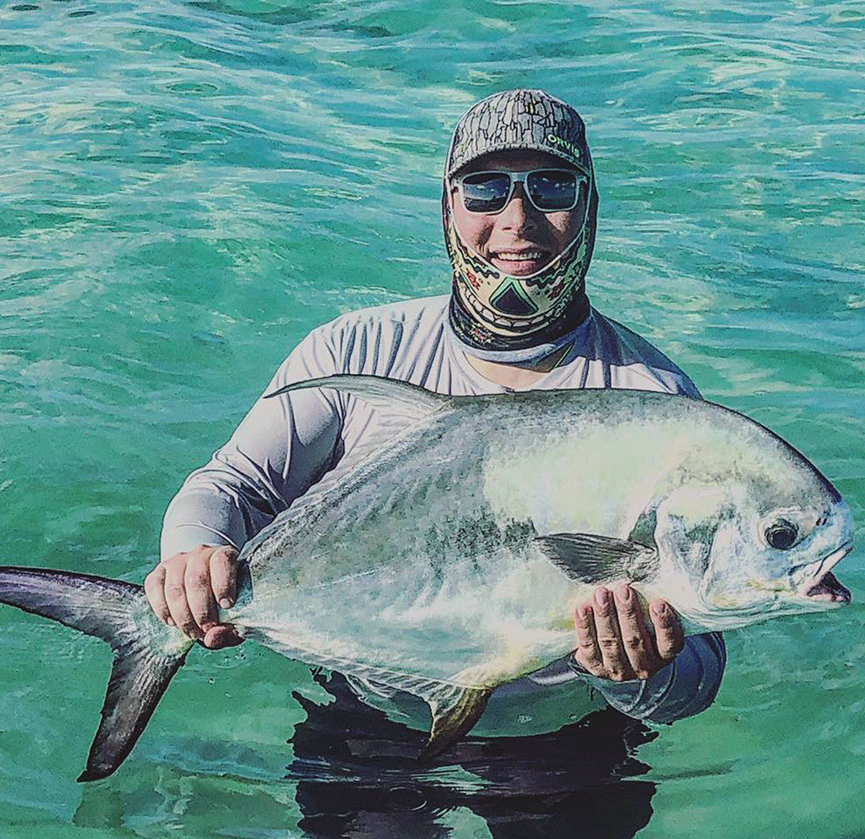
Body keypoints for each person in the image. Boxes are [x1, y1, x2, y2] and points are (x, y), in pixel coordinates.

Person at [147, 88, 725, 731]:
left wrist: (646, 672)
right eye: (484, 189)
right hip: (368, 710)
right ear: (447, 207)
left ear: (590, 207)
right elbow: (234, 486)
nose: (517, 219)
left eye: (553, 187)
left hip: (565, 736)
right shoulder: (356, 351)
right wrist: (193, 557)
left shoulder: (654, 404)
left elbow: (694, 684)